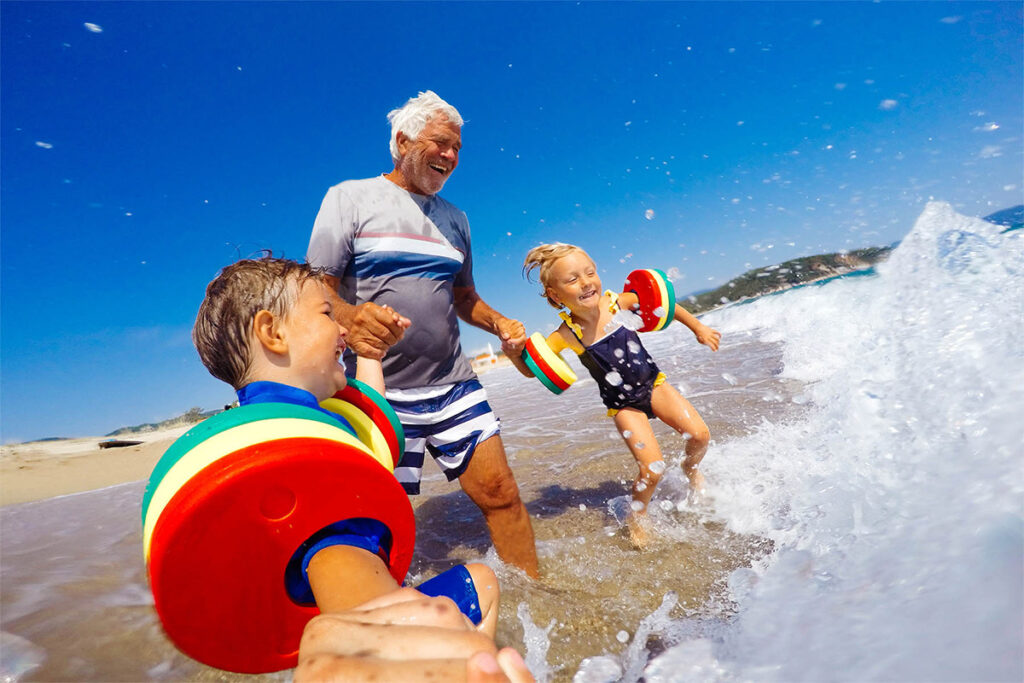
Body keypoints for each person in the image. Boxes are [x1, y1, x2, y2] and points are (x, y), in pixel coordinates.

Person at [192, 256, 531, 680]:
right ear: (273, 332)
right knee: (446, 610)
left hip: (332, 587)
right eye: (326, 313)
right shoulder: (278, 438)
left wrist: (372, 353)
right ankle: (380, 643)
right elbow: (326, 542)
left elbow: (372, 419)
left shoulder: (319, 419)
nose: (343, 328)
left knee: (482, 581)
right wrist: (370, 620)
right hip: (354, 593)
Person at [307, 90, 539, 577]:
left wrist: (499, 324)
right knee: (376, 525)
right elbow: (316, 290)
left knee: (502, 494)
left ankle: (539, 598)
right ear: (402, 141)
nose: (451, 156)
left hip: (455, 384)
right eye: (440, 143)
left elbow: (463, 296)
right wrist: (352, 317)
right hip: (377, 394)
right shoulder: (348, 198)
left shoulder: (457, 220)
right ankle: (394, 629)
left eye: (457, 148)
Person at [516, 244, 722, 547]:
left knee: (700, 435)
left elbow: (664, 304)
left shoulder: (615, 303)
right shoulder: (566, 334)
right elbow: (534, 368)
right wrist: (513, 353)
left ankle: (690, 468)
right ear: (555, 295)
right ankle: (637, 517)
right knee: (652, 469)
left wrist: (698, 327)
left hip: (655, 386)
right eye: (572, 280)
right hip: (624, 405)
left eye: (590, 273)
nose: (586, 282)